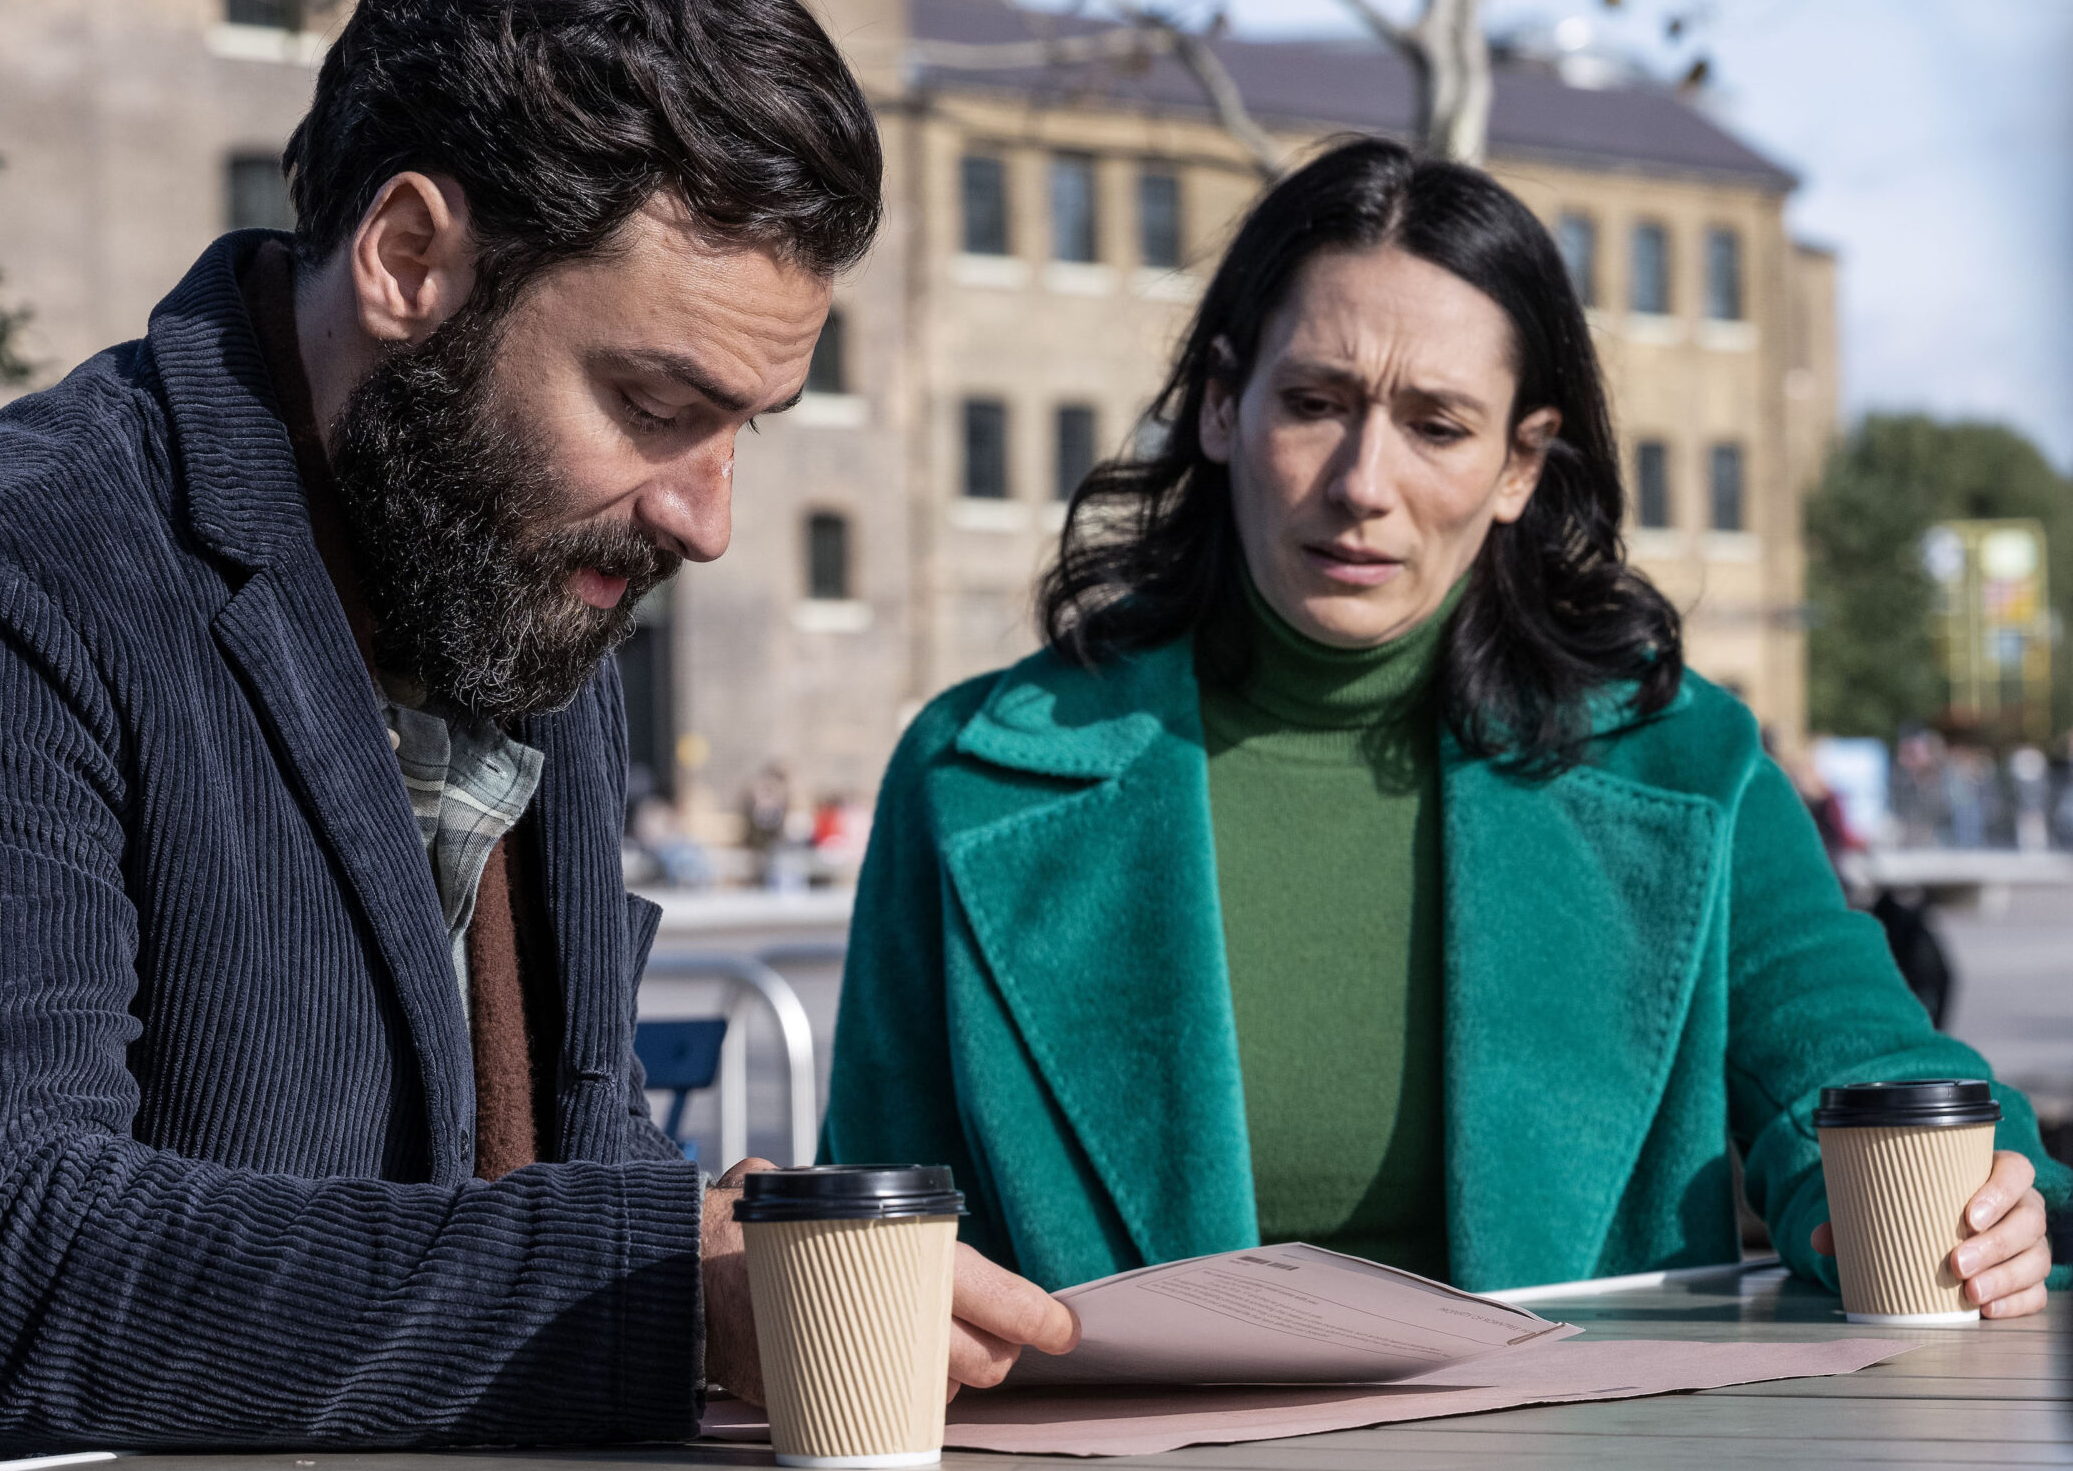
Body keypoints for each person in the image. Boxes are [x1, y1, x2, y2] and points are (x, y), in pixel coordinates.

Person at [0, 0, 1071, 1471]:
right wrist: (657, 1281)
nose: (708, 515)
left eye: (747, 423)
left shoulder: (509, 574)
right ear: (410, 256)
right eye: (654, 399)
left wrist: (733, 1259)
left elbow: (547, 1166)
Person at [823, 138, 2065, 1312]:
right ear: (1220, 407)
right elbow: (879, 1237)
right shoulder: (972, 775)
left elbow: (1862, 1085)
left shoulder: (1682, 762)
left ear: (1520, 467)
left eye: (1436, 424)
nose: (1363, 482)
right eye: (1315, 401)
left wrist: (1960, 1212)